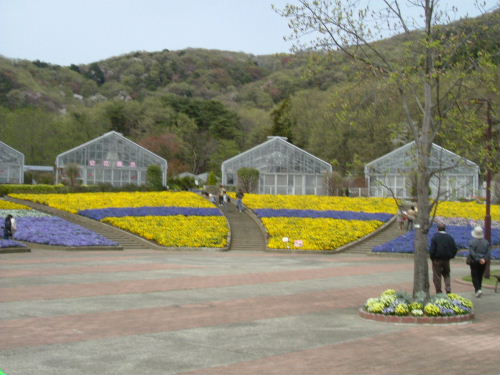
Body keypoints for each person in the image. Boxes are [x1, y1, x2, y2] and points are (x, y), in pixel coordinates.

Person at [429, 223, 458, 294]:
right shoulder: (449, 237)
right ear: (445, 229)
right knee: (446, 274)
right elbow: (454, 248)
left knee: (437, 276)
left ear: (437, 229)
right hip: (446, 259)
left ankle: (439, 291)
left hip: (437, 259)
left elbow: (432, 250)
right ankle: (448, 288)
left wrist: (432, 258)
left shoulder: (435, 237)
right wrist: (451, 256)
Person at [468, 226, 491, 298]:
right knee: (480, 275)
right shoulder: (486, 242)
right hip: (483, 261)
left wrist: (478, 259)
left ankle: (477, 289)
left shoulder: (472, 242)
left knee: (474, 276)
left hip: (474, 261)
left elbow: (472, 253)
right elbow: (488, 252)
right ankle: (479, 288)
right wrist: (484, 259)